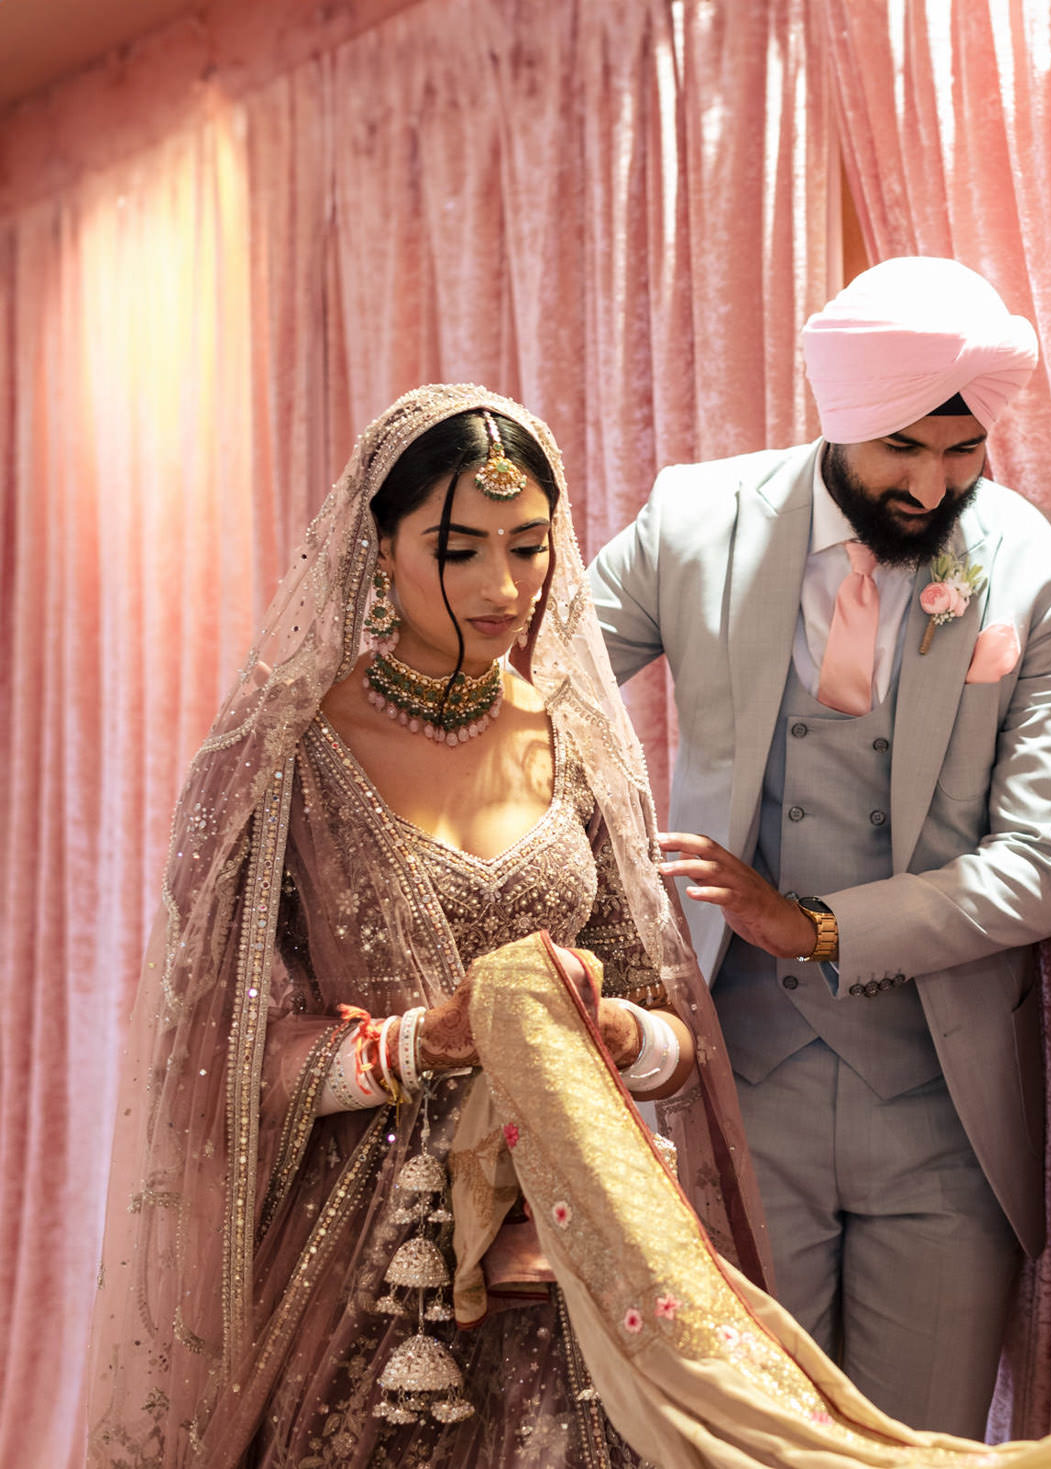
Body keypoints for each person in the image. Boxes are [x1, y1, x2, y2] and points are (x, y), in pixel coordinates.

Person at [82, 385, 771, 1469]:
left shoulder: (579, 741)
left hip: (579, 1227)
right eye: (458, 549)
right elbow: (215, 1046)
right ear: (382, 548)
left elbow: (672, 1028)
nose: (502, 586)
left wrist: (620, 1033)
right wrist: (418, 1042)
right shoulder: (282, 756)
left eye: (528, 546)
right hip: (367, 1249)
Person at [588, 255, 1051, 1438]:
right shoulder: (694, 522)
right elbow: (529, 694)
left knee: (923, 1448)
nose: (933, 483)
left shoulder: (1029, 562)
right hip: (735, 1085)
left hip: (945, 1111)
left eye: (963, 452)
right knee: (742, 1444)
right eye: (903, 448)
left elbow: (1045, 859)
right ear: (843, 414)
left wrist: (814, 924)